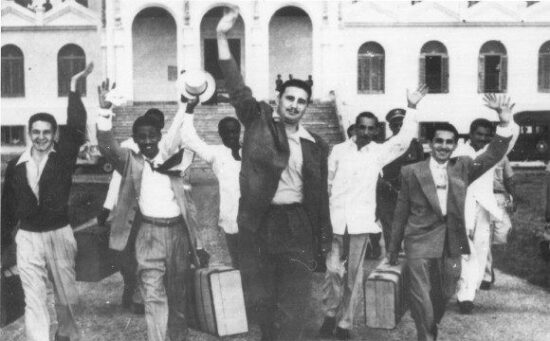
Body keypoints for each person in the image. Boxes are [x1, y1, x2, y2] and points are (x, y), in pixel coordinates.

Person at [216, 7, 331, 340]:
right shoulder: (258, 122)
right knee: (262, 302)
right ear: (278, 100)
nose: (294, 105)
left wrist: (323, 244)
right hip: (261, 223)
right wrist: (222, 37)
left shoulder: (315, 144)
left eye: (301, 101)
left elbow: (319, 197)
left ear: (307, 106)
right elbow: (237, 88)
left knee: (294, 304)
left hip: (298, 226)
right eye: (289, 98)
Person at [388, 94, 519, 341]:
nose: (444, 147)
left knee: (445, 292)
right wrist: (393, 247)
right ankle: (425, 336)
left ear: (455, 144)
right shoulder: (411, 172)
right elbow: (400, 212)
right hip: (419, 241)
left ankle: (430, 325)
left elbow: (493, 154)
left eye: (449, 142)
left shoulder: (463, 167)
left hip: (452, 242)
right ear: (429, 142)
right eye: (439, 141)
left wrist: (504, 123)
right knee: (420, 295)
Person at [96, 81, 207, 341]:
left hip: (178, 234)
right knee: (153, 295)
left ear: (160, 136)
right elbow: (107, 146)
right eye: (141, 138)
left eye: (151, 136)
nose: (147, 141)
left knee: (178, 296)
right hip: (148, 235)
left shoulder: (173, 159)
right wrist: (104, 112)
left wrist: (188, 106)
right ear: (135, 140)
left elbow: (189, 209)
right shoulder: (131, 162)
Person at [319, 87, 427, 340]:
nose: (366, 132)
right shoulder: (338, 151)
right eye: (362, 127)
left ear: (376, 130)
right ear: (354, 128)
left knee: (354, 277)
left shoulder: (378, 153)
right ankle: (329, 315)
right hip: (336, 221)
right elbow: (328, 185)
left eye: (371, 128)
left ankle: (345, 324)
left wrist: (411, 107)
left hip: (360, 223)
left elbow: (402, 141)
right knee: (333, 271)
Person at [1, 62, 94, 341]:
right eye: (36, 132)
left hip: (59, 235)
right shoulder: (16, 165)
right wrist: (4, 244)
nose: (41, 137)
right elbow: (6, 209)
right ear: (30, 133)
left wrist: (74, 88)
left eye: (46, 132)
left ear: (54, 134)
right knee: (34, 298)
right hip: (28, 238)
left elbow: (77, 125)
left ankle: (66, 332)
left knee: (66, 295)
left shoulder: (63, 157)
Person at [97, 108, 176, 314]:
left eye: (157, 128)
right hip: (131, 212)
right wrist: (107, 207)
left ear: (160, 131)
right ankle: (131, 290)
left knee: (152, 260)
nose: (149, 138)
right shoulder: (128, 149)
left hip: (154, 215)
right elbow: (116, 180)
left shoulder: (166, 150)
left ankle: (148, 295)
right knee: (128, 256)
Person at [453, 118, 517, 313]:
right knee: (464, 249)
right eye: (478, 134)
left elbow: (509, 139)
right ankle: (464, 295)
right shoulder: (458, 151)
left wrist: (505, 119)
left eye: (486, 135)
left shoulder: (493, 154)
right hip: (462, 205)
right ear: (470, 134)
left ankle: (470, 290)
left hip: (484, 207)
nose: (482, 138)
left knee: (481, 250)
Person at [181, 96, 242, 268]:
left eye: (234, 131)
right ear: (220, 134)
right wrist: (189, 110)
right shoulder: (216, 154)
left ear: (239, 132)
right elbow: (189, 138)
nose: (231, 135)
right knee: (237, 265)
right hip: (231, 219)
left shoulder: (250, 151)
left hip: (253, 219)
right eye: (226, 132)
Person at [375, 108, 425, 256]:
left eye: (401, 124)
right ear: (390, 127)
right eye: (394, 124)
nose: (398, 127)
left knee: (412, 230)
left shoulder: (415, 145)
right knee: (390, 229)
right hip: (389, 193)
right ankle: (392, 259)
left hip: (410, 193)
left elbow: (421, 169)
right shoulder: (385, 146)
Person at [482, 154, 516, 289]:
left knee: (502, 232)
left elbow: (509, 179)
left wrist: (513, 198)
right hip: (482, 195)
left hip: (498, 196)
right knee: (485, 235)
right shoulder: (476, 154)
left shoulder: (501, 156)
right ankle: (486, 275)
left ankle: (488, 267)